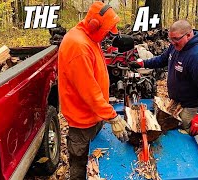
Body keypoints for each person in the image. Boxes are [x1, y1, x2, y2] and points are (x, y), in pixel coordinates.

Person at [58, 2, 130, 179]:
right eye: (106, 31)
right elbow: (89, 91)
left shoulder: (88, 37)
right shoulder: (79, 46)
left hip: (93, 114)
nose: (107, 36)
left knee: (94, 162)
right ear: (94, 25)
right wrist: (112, 116)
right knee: (81, 165)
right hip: (83, 121)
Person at [129, 20, 198, 146]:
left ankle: (191, 164)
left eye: (176, 39)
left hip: (193, 107)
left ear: (188, 35)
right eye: (171, 39)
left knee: (190, 142)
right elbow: (162, 60)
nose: (173, 43)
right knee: (176, 134)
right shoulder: (176, 46)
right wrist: (143, 63)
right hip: (178, 103)